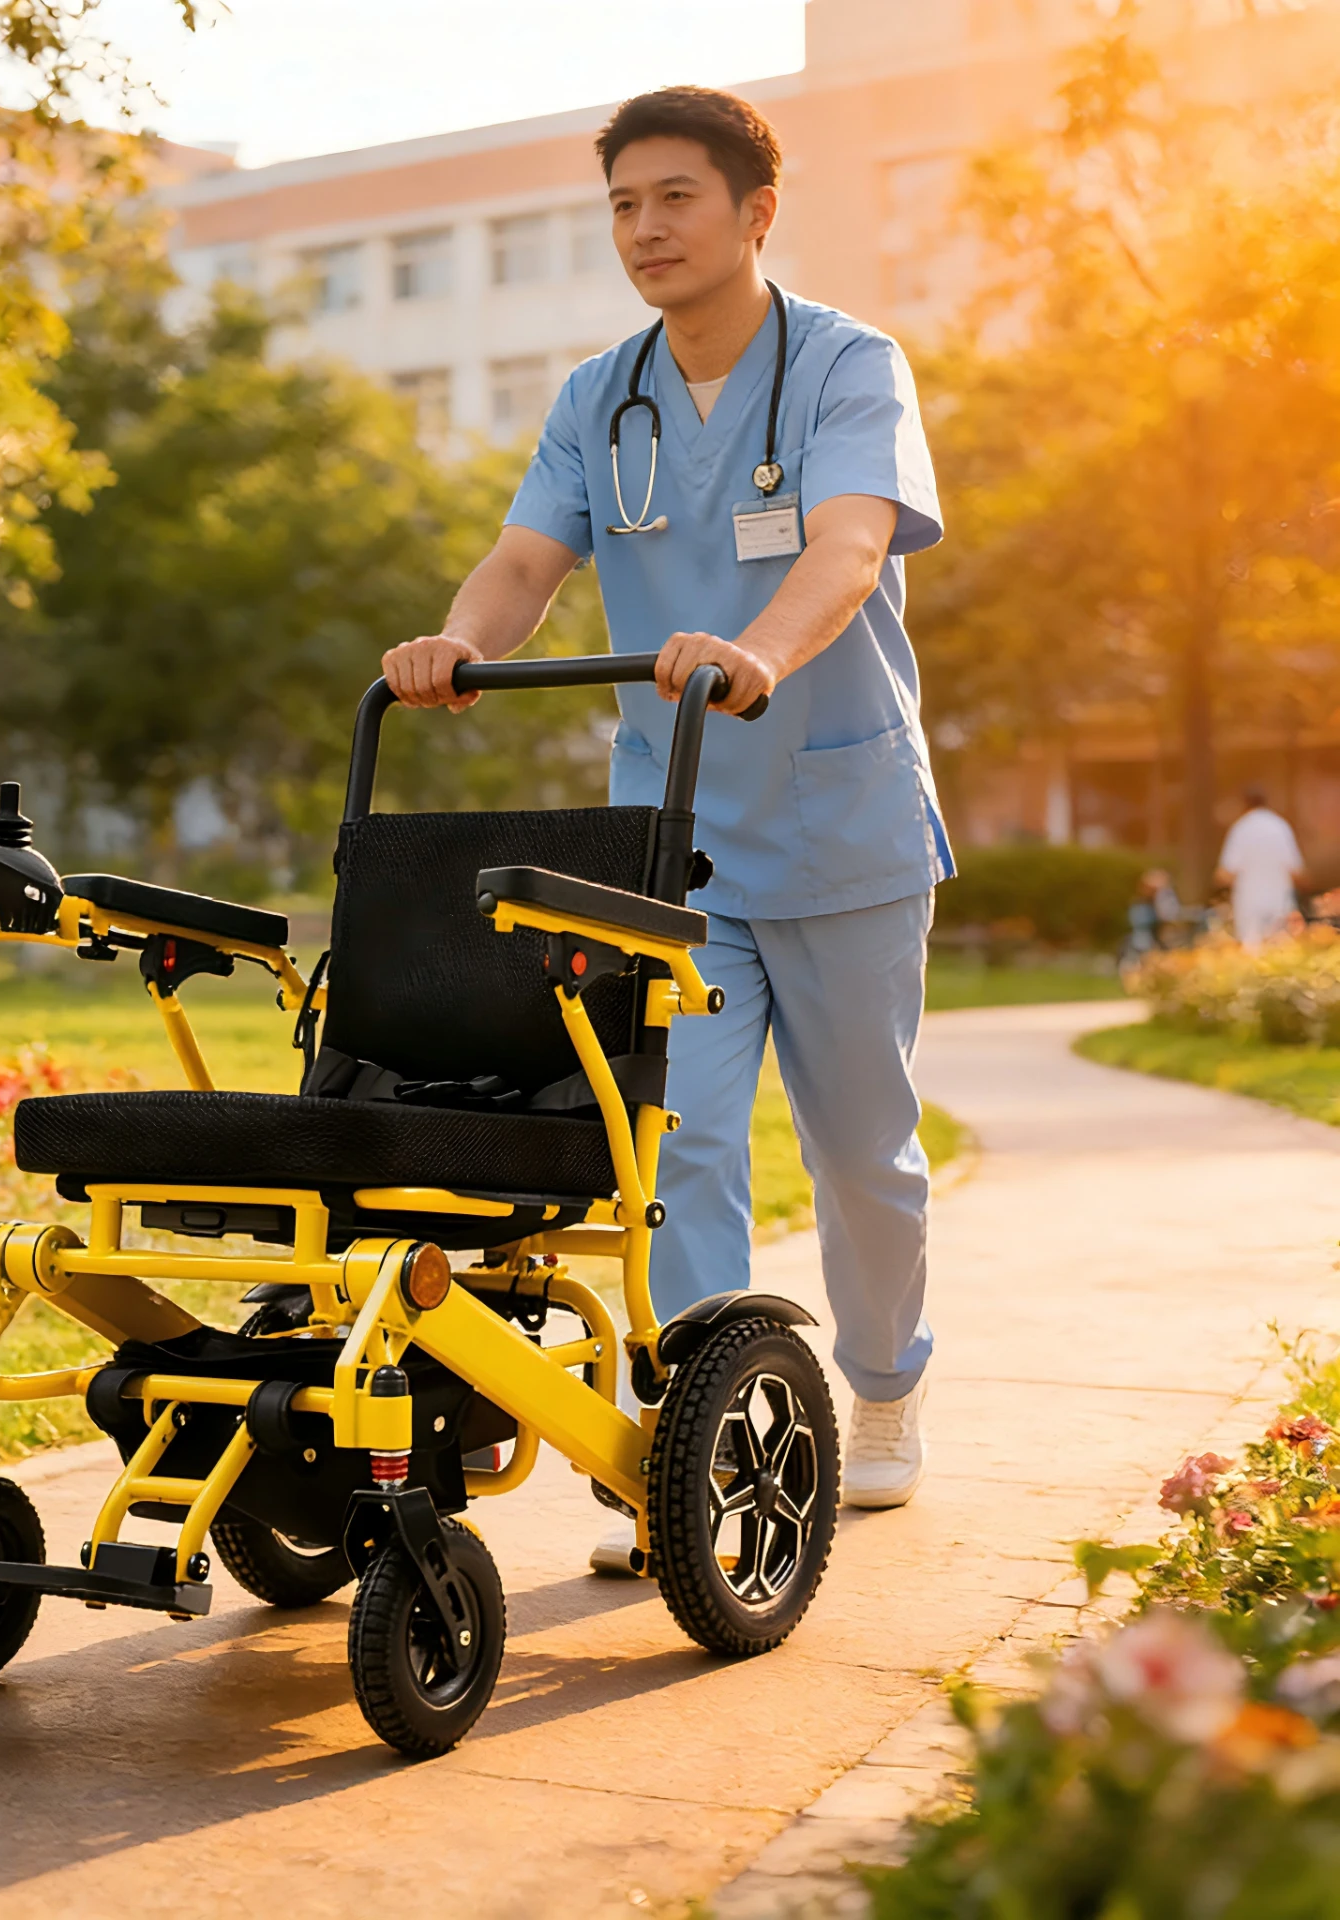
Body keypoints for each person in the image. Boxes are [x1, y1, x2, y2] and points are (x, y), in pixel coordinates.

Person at [380, 87, 951, 1549]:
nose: (647, 229)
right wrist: (455, 644)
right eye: (626, 203)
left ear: (757, 211)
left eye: (677, 198)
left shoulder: (846, 365)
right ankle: (696, 1450)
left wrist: (759, 647)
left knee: (861, 1145)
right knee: (676, 1143)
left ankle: (881, 1386)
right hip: (674, 838)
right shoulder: (599, 396)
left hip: (840, 820)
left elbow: (850, 541)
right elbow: (523, 563)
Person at [1216, 788, 1306, 950]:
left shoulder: (1240, 828)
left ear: (1244, 804)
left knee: (1253, 951)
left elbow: (1225, 873)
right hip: (1279, 899)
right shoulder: (1280, 825)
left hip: (1249, 901)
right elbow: (1296, 870)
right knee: (1281, 950)